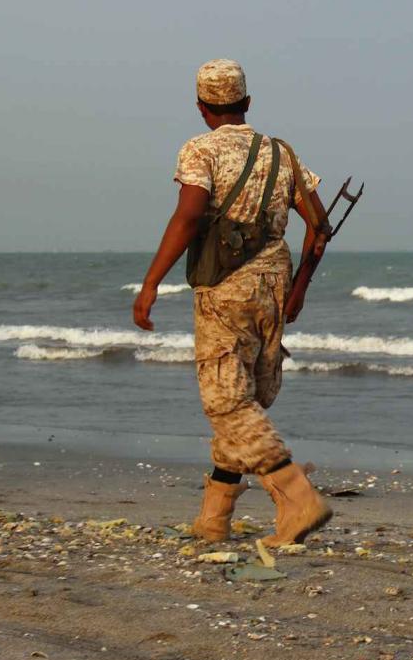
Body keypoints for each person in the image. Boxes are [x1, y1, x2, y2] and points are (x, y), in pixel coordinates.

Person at [132, 59, 333, 547]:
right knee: (245, 396)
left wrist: (151, 283)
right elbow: (319, 227)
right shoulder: (281, 154)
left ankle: (296, 496)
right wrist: (299, 289)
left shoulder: (200, 150)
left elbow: (189, 217)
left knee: (226, 400)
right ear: (247, 103)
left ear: (202, 108)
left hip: (225, 287)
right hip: (274, 283)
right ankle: (213, 519)